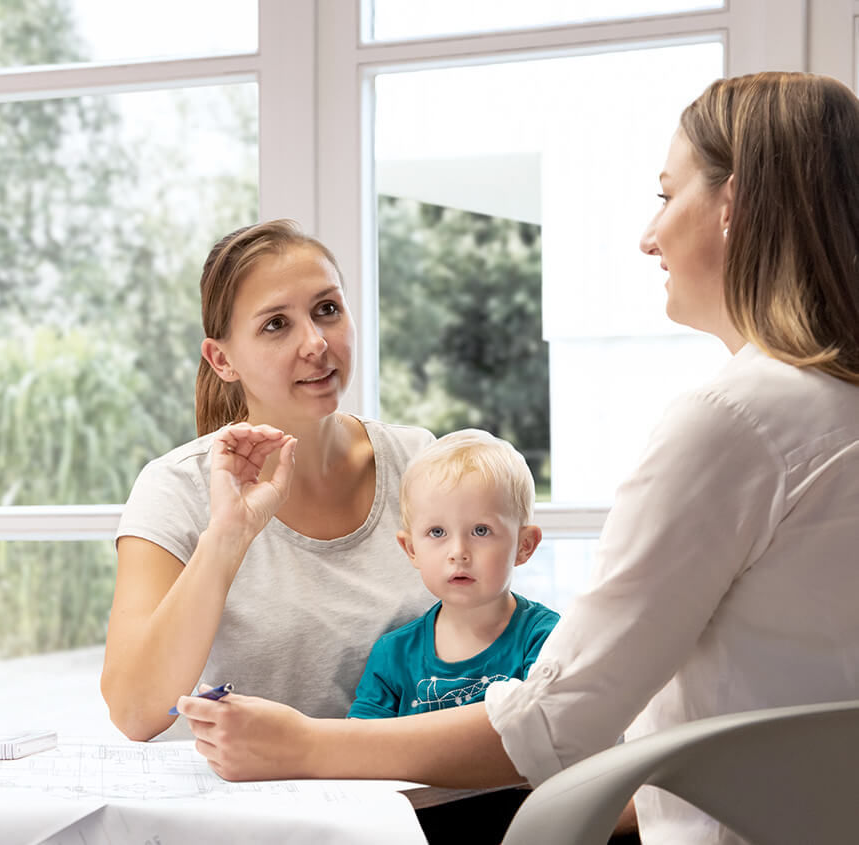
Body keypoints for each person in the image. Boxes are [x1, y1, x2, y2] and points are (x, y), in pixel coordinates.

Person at [174, 71, 859, 845]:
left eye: (666, 196)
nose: (649, 235)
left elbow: (554, 721)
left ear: (731, 207)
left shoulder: (730, 425)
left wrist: (301, 742)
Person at [100, 219, 436, 742]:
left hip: (417, 785)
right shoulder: (175, 489)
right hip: (250, 793)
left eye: (327, 309)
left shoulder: (418, 462)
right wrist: (227, 537)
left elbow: (493, 643)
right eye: (276, 324)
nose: (316, 343)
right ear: (222, 359)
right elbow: (134, 712)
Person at [347, 429, 558, 719]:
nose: (458, 552)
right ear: (411, 549)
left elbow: (553, 729)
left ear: (524, 545)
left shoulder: (546, 639)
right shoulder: (392, 655)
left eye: (481, 530)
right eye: (437, 532)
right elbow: (360, 740)